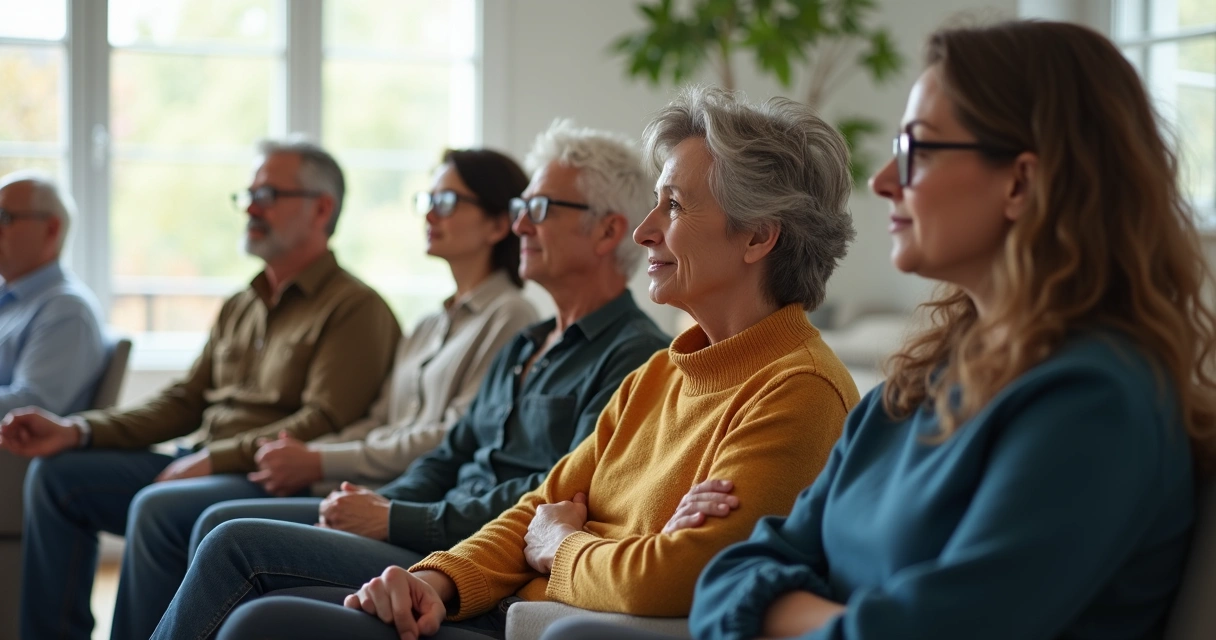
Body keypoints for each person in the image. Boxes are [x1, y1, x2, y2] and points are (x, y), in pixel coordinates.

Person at [206, 86, 863, 640]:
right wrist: (438, 581)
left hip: (560, 626)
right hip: (521, 608)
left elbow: (674, 577)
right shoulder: (664, 373)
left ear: (757, 236)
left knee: (262, 620)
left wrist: (562, 546)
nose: (644, 232)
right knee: (263, 613)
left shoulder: (797, 390)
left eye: (673, 206)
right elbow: (535, 510)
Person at [683, 20, 1214, 640]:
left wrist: (787, 613)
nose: (882, 181)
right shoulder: (908, 390)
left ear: (1020, 181)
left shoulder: (1097, 400)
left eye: (917, 149)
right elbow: (728, 578)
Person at [148, 119, 673, 640]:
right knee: (225, 538)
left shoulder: (633, 354)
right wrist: (380, 504)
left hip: (467, 551)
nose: (520, 227)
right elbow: (449, 453)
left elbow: (556, 497)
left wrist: (396, 518)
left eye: (539, 210)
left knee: (232, 543)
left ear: (608, 230)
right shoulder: (526, 342)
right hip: (432, 526)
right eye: (519, 210)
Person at [106, 149, 541, 639]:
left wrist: (319, 463)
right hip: (373, 485)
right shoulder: (427, 323)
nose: (429, 212)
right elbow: (380, 420)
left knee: (214, 525)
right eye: (427, 198)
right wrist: (316, 455)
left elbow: (449, 438)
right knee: (210, 518)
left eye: (447, 200)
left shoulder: (513, 317)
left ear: (499, 223)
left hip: (410, 501)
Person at [0, 137, 403, 640]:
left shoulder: (356, 309)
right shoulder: (241, 303)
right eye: (249, 194)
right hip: (200, 458)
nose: (252, 207)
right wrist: (77, 430)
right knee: (57, 476)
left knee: (157, 507)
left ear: (322, 208)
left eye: (270, 194)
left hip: (270, 477)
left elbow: (323, 420)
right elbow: (184, 401)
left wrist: (214, 460)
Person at [0, 171, 104, 416]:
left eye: (4, 217)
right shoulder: (11, 299)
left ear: (51, 229)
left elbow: (30, 407)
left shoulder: (66, 309)